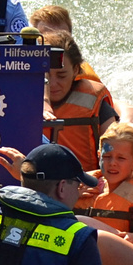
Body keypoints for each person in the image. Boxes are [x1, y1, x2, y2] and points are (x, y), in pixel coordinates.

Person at [41, 31, 117, 170]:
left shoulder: (94, 99)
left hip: (86, 182)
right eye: (45, 76)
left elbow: (116, 145)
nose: (53, 84)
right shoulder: (21, 99)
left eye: (61, 75)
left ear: (76, 69)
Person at [74, 122, 133, 234]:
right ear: (98, 156)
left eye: (120, 158)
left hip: (123, 248)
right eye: (106, 157)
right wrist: (72, 196)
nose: (112, 163)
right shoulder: (80, 186)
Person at [28, 4, 108, 87]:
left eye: (62, 38)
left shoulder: (87, 76)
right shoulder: (20, 67)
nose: (55, 44)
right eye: (46, 38)